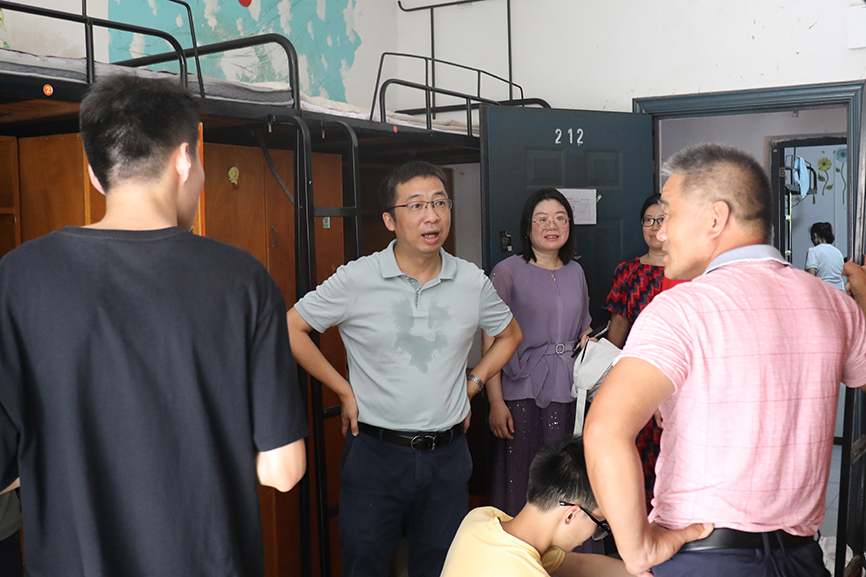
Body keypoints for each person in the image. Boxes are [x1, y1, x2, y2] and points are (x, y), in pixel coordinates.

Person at [0, 75, 308, 576]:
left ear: (95, 175)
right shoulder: (242, 279)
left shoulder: (18, 277)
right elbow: (284, 470)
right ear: (185, 159)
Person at [584, 143, 866, 577]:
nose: (661, 233)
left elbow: (604, 429)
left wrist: (637, 548)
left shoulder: (681, 308)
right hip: (802, 561)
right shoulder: (833, 305)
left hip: (705, 559)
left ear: (716, 218)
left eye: (669, 215)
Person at [286, 160, 522, 577]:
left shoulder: (471, 281)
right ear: (390, 221)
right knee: (365, 566)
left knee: (442, 567)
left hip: (447, 456)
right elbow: (292, 327)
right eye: (416, 205)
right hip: (375, 453)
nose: (432, 216)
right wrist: (343, 390)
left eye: (440, 203)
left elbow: (509, 335)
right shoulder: (357, 278)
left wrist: (471, 385)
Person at [486, 188, 592, 523]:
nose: (552, 225)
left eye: (560, 218)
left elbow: (583, 326)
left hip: (568, 390)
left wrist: (587, 338)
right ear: (527, 226)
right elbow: (491, 338)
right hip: (521, 392)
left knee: (567, 480)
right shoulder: (506, 272)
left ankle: (566, 553)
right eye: (542, 219)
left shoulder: (576, 271)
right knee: (525, 478)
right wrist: (495, 401)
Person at [440, 435, 629, 577]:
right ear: (571, 515)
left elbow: (581, 565)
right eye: (599, 523)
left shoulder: (480, 519)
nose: (594, 532)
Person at [601, 194, 667, 513]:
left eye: (662, 220)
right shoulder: (628, 271)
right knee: (635, 466)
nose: (655, 227)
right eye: (648, 220)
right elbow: (617, 330)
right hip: (636, 384)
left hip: (679, 386)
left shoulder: (695, 272)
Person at [805, 221, 845, 290]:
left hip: (823, 290)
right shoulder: (837, 252)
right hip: (839, 291)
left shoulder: (813, 251)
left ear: (815, 235)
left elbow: (811, 276)